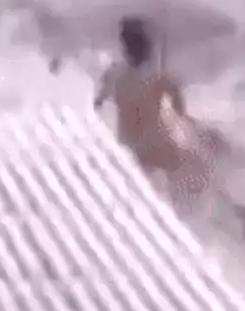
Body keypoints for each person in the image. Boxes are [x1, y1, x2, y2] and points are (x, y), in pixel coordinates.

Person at [93, 15, 222, 203]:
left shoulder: (115, 73)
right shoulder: (160, 77)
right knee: (197, 154)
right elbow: (179, 109)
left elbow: (98, 103)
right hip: (158, 143)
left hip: (132, 141)